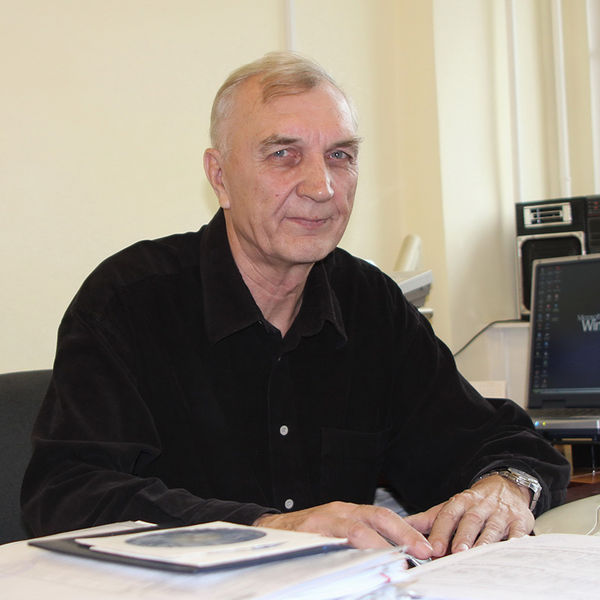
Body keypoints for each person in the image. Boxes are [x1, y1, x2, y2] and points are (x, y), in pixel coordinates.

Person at [21, 52, 570, 560]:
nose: (321, 186)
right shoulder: (128, 301)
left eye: (340, 156)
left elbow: (497, 441)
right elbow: (69, 496)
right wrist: (268, 527)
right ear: (220, 177)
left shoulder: (370, 305)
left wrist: (505, 488)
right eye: (283, 154)